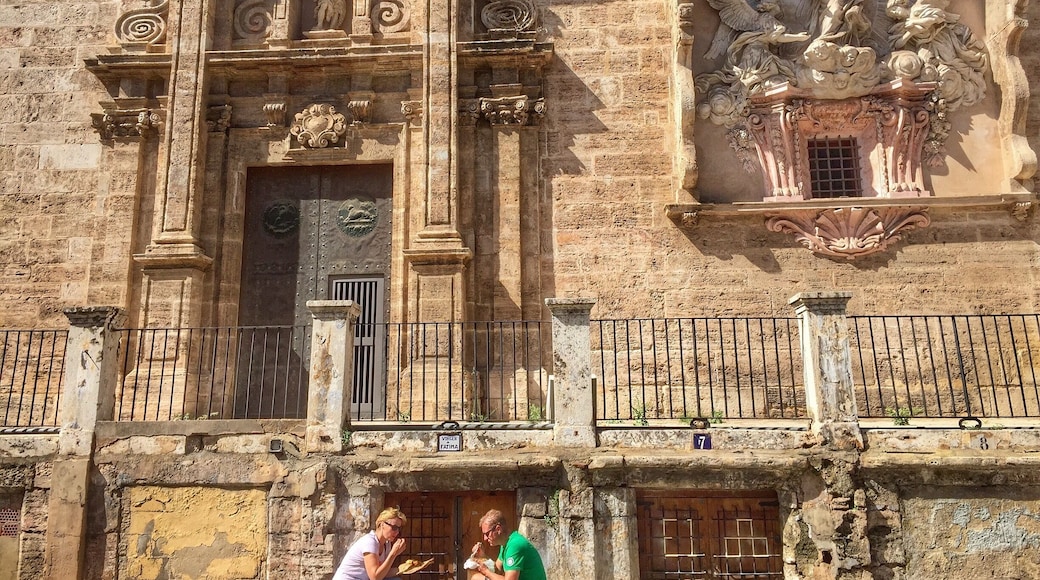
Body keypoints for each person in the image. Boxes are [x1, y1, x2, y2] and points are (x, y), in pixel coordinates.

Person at [332, 507, 408, 580]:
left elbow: (382, 573)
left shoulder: (386, 544)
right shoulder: (370, 542)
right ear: (382, 525)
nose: (397, 532)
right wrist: (393, 554)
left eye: (399, 529)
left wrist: (403, 569)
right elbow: (375, 577)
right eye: (394, 528)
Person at [470, 509, 546, 580]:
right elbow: (497, 570)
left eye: (487, 534)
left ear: (498, 529)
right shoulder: (505, 543)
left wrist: (486, 572)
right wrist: (483, 556)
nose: (485, 538)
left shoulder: (515, 545)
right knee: (476, 577)